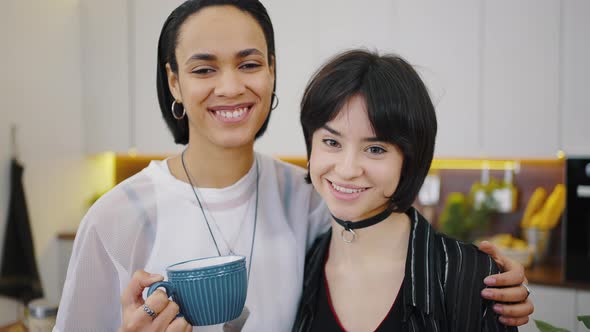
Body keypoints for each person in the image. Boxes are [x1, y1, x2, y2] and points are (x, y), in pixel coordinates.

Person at [55, 1, 533, 331]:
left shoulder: (306, 196)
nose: (229, 87)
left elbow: (385, 232)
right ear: (174, 82)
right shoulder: (117, 218)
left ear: (272, 70)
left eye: (248, 63)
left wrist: (477, 278)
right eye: (203, 69)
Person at [293, 49, 523, 331]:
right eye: (331, 142)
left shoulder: (469, 275)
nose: (348, 169)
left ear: (409, 160)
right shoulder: (300, 266)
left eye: (375, 149)